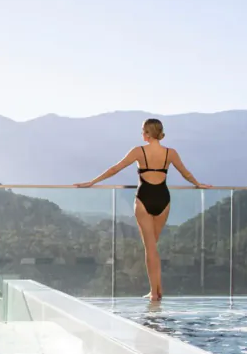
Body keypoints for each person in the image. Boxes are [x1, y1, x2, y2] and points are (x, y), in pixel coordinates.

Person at [74, 118, 210, 301]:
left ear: (147, 133)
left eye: (142, 131)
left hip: (144, 199)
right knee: (153, 246)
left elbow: (115, 169)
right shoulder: (170, 153)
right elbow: (185, 173)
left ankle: (154, 293)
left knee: (150, 248)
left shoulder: (138, 151)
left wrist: (92, 182)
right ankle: (158, 289)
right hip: (163, 199)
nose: (141, 134)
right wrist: (198, 184)